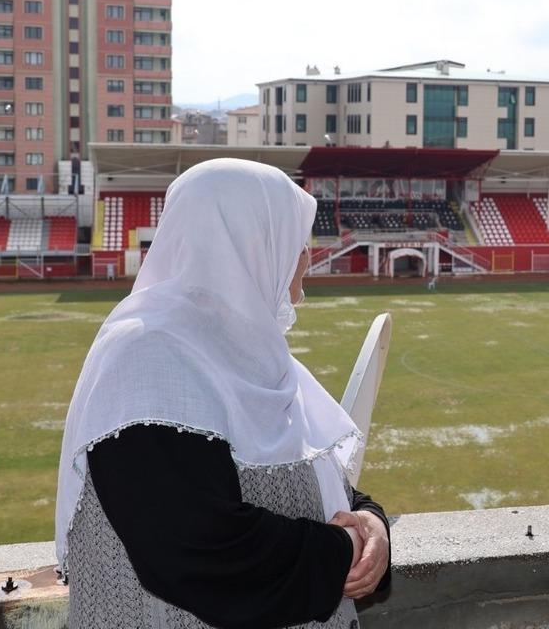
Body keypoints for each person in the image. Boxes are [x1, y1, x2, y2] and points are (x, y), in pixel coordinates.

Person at [56, 159, 390, 628]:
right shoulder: (147, 360)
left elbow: (314, 479)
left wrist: (372, 524)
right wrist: (344, 551)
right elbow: (197, 548)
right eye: (296, 243)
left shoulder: (248, 357)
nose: (307, 259)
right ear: (250, 245)